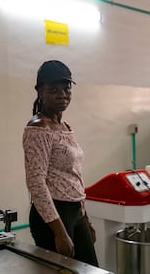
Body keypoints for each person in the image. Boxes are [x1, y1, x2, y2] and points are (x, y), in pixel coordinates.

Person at [22, 60, 99, 267]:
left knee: (90, 269)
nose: (62, 94)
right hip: (54, 216)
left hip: (75, 212)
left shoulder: (64, 126)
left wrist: (85, 218)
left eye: (66, 89)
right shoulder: (38, 129)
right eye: (54, 89)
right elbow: (36, 182)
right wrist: (60, 232)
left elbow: (74, 175)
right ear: (40, 91)